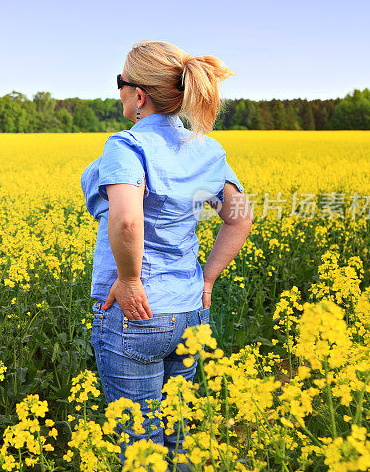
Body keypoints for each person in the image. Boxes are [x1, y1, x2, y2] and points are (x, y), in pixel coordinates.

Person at [80, 40, 254, 467]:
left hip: (139, 315)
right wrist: (208, 279)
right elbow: (241, 217)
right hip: (191, 312)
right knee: (177, 437)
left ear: (138, 94)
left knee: (141, 446)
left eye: (121, 82)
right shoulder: (208, 150)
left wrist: (130, 279)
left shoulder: (127, 146)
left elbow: (126, 220)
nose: (119, 90)